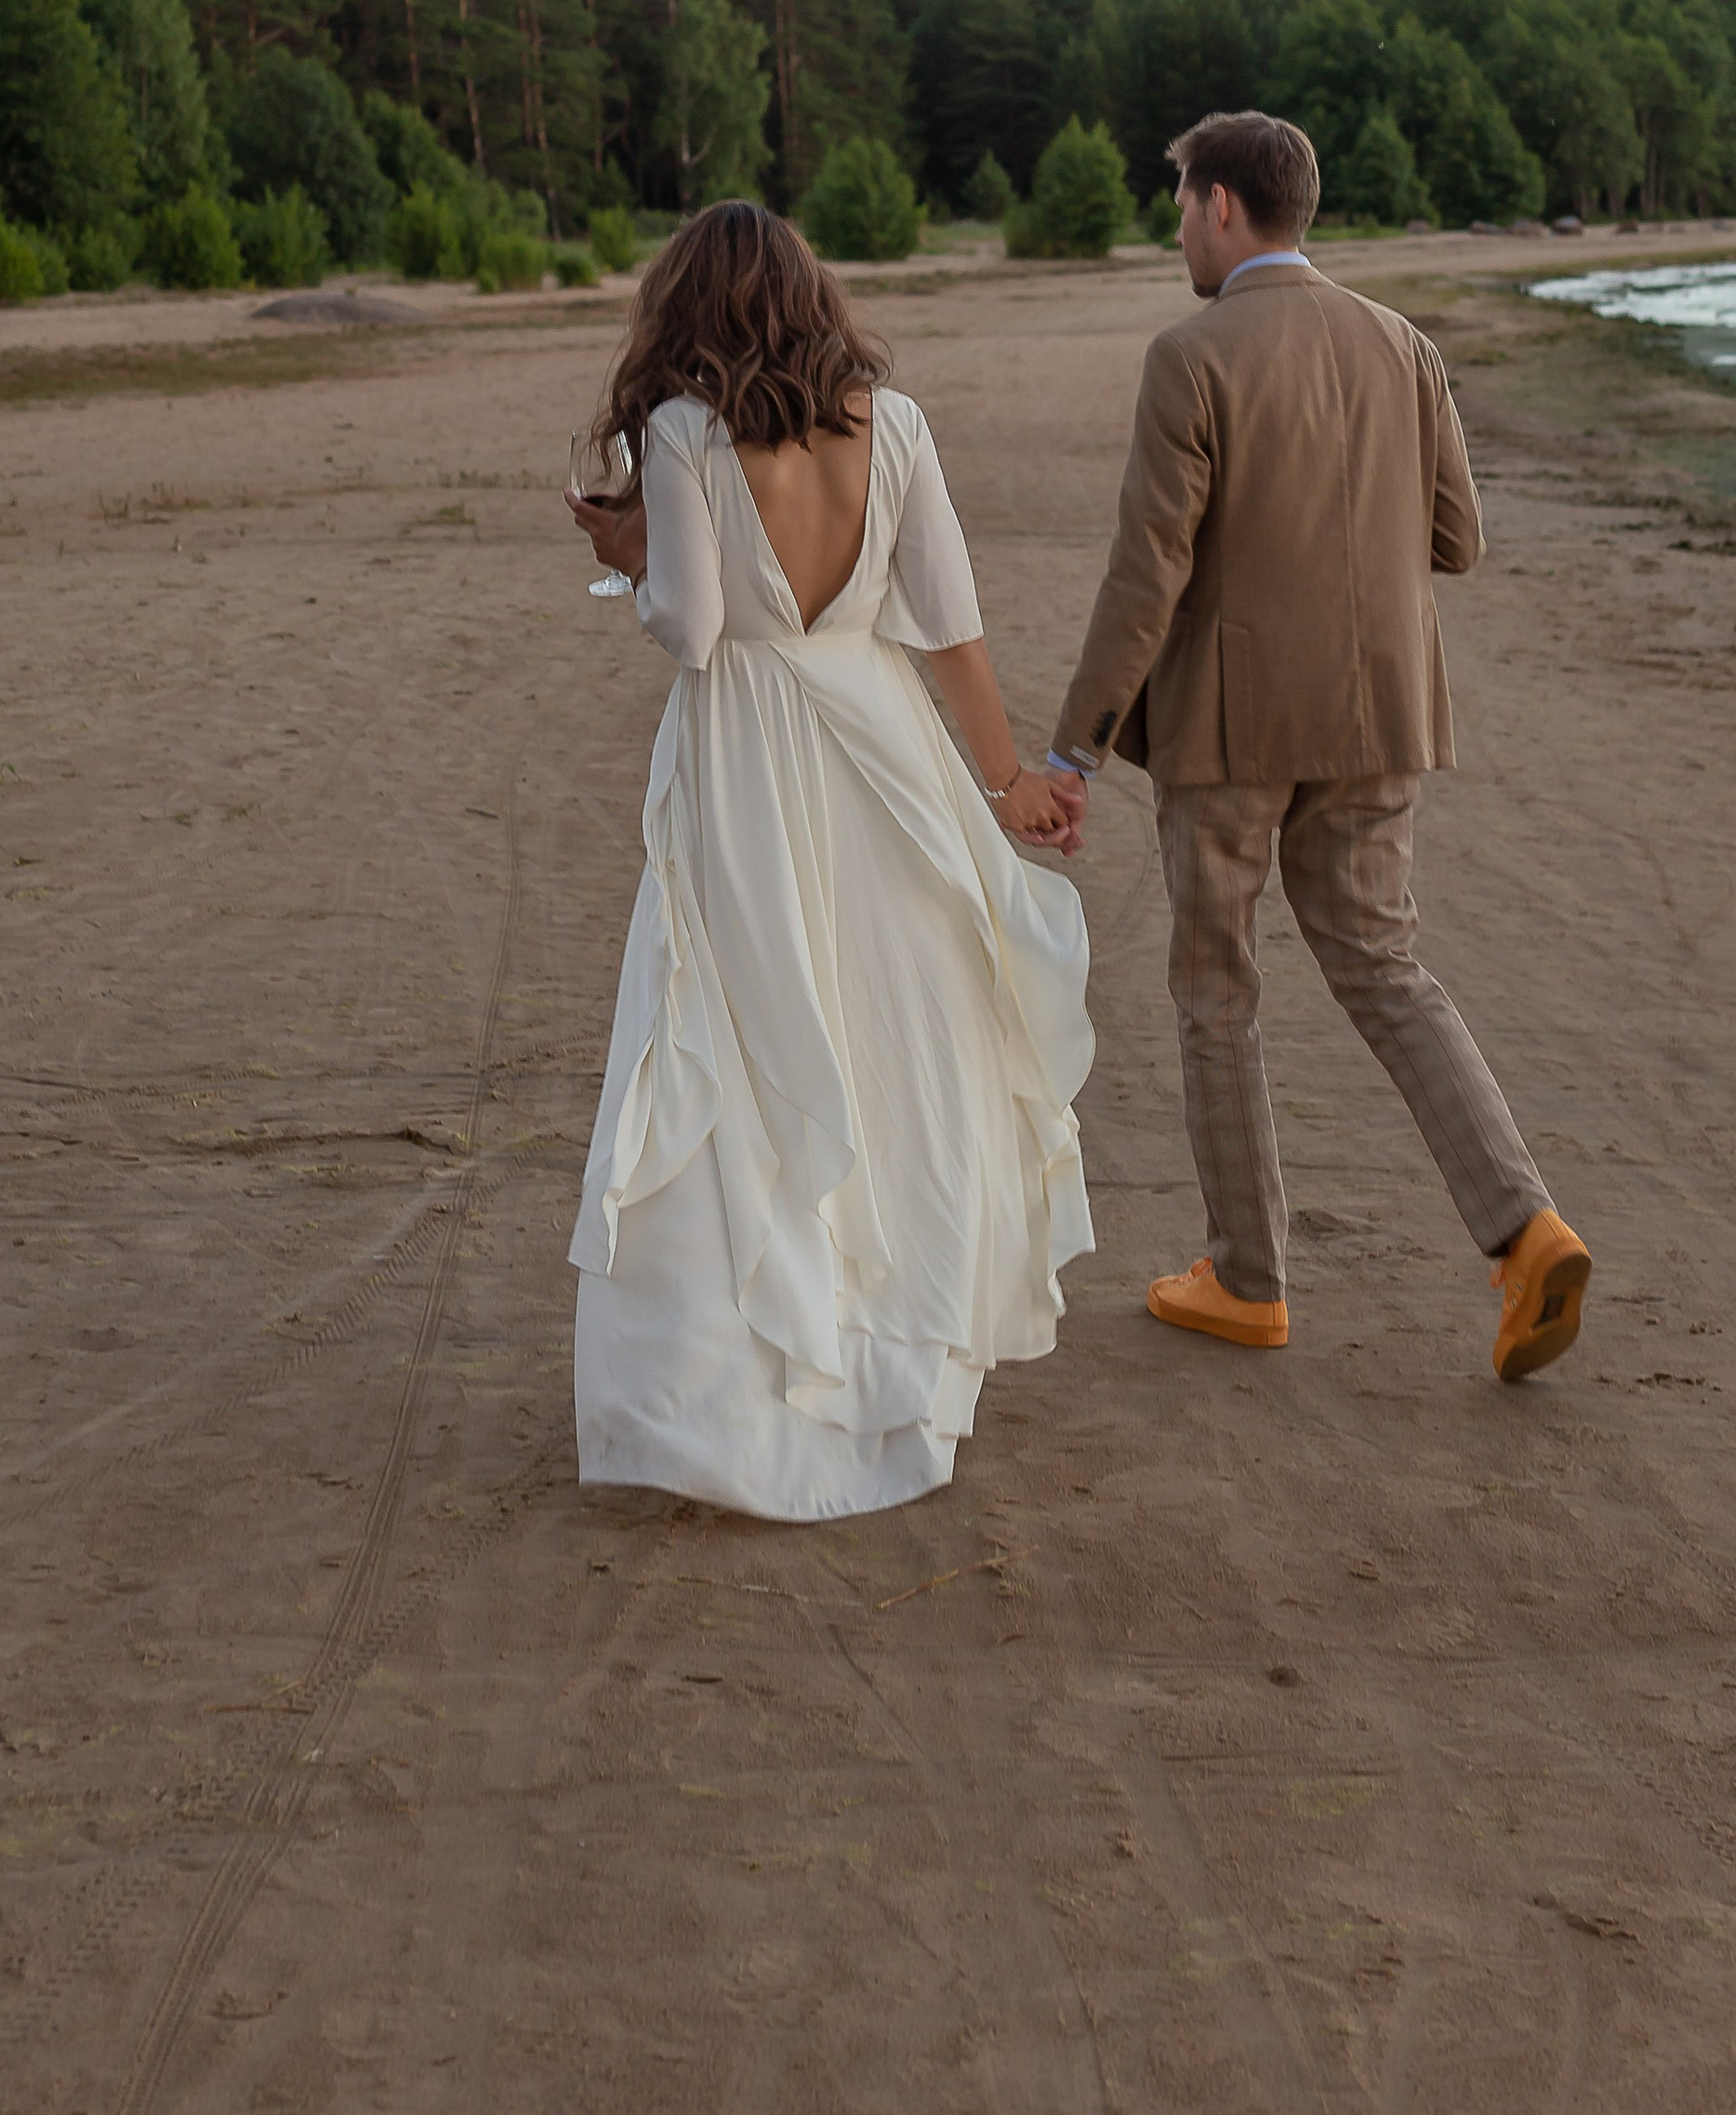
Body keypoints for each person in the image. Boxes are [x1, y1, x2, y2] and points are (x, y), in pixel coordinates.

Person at [563, 202, 1095, 1520]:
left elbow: (690, 629)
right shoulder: (892, 423)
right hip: (881, 746)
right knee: (899, 1038)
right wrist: (1007, 779)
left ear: (685, 309)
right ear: (811, 297)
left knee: (738, 1040)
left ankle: (735, 1387)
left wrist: (629, 553)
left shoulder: (684, 431)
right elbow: (951, 622)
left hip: (748, 762)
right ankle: (899, 1334)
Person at [1044, 110, 1589, 1382]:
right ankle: (1524, 1230)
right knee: (1389, 971)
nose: (1177, 223)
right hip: (1380, 713)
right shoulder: (1404, 346)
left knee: (1218, 988)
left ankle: (1248, 1278)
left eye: (1181, 200)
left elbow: (1148, 573)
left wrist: (1073, 748)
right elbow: (1457, 541)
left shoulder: (1192, 354)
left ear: (1226, 206)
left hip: (1230, 733)